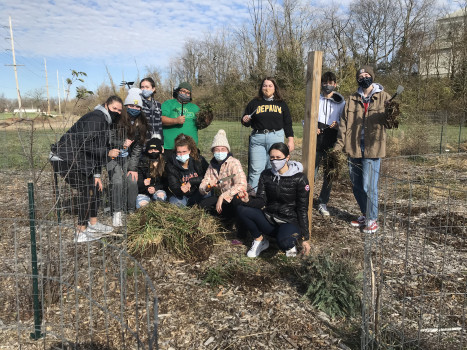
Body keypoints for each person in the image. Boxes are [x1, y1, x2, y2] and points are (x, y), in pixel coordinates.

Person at [50, 96, 123, 243]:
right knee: (87, 190)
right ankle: (80, 232)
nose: (117, 112)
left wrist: (96, 175)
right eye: (114, 108)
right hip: (64, 158)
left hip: (77, 160)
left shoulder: (104, 121)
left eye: (120, 110)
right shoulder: (97, 118)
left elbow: (94, 151)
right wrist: (107, 152)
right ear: (106, 105)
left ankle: (93, 224)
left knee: (94, 187)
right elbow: (85, 143)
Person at [334, 65, 396, 233]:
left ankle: (372, 219)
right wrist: (338, 147)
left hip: (373, 148)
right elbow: (343, 125)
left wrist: (392, 110)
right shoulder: (352, 99)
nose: (364, 77)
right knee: (357, 185)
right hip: (353, 147)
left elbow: (391, 124)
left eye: (367, 74)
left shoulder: (384, 97)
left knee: (369, 186)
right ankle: (365, 213)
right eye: (361, 75)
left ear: (372, 76)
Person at [236, 142, 311, 258]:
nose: (274, 161)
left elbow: (302, 208)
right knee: (242, 209)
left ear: (287, 157)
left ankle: (289, 240)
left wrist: (305, 237)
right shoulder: (266, 175)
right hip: (269, 218)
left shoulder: (300, 178)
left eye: (278, 158)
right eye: (272, 158)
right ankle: (259, 240)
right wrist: (248, 200)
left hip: (289, 221)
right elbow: (261, 200)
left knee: (284, 243)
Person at [241, 77, 295, 191]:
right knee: (256, 170)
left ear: (275, 88)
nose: (267, 88)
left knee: (275, 167)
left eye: (270, 85)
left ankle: (271, 195)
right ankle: (253, 196)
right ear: (261, 88)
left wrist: (290, 140)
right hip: (257, 138)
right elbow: (246, 121)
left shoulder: (281, 104)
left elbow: (288, 123)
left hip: (276, 137)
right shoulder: (254, 103)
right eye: (264, 85)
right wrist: (245, 119)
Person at [107, 88, 148, 226]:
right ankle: (117, 212)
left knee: (132, 180)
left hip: (127, 158)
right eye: (131, 105)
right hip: (112, 157)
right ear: (125, 106)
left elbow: (137, 148)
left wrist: (132, 167)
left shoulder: (141, 124)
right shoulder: (116, 119)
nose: (134, 108)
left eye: (137, 106)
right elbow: (108, 139)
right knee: (117, 181)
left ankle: (131, 210)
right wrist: (121, 144)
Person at [315, 71, 345, 216]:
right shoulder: (315, 98)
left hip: (331, 141)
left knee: (329, 174)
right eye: (325, 82)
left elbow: (344, 122)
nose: (327, 85)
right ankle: (305, 200)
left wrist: (337, 125)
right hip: (316, 142)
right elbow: (306, 119)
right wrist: (312, 127)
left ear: (335, 84)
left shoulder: (341, 101)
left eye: (331, 83)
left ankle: (322, 202)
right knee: (310, 173)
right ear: (321, 84)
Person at [198, 129, 247, 219]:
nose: (220, 152)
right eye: (217, 150)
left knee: (237, 203)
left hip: (232, 196)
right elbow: (203, 185)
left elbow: (242, 185)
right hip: (221, 199)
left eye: (223, 149)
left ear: (227, 151)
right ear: (213, 152)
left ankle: (234, 219)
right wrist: (208, 186)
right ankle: (223, 218)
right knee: (203, 204)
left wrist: (223, 196)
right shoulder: (212, 165)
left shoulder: (234, 162)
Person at [165, 133, 209, 206]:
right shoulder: (170, 165)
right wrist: (180, 189)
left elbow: (206, 176)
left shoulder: (198, 160)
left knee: (208, 192)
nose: (182, 154)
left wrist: (191, 182)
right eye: (179, 152)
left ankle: (196, 204)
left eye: (184, 152)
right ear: (176, 152)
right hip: (181, 195)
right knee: (175, 203)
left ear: (189, 151)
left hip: (197, 191)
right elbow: (173, 185)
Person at [161, 82, 200, 151]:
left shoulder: (195, 108)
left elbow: (200, 124)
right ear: (178, 91)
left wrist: (206, 121)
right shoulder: (168, 103)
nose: (185, 94)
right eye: (183, 91)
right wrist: (175, 121)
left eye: (188, 93)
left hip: (190, 148)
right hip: (170, 147)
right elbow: (161, 119)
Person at [136, 137, 167, 208]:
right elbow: (138, 183)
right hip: (144, 192)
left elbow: (166, 183)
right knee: (142, 205)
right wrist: (144, 185)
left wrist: (155, 188)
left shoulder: (165, 162)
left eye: (155, 149)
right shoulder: (142, 163)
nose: (153, 152)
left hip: (159, 190)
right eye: (150, 150)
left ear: (160, 150)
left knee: (160, 197)